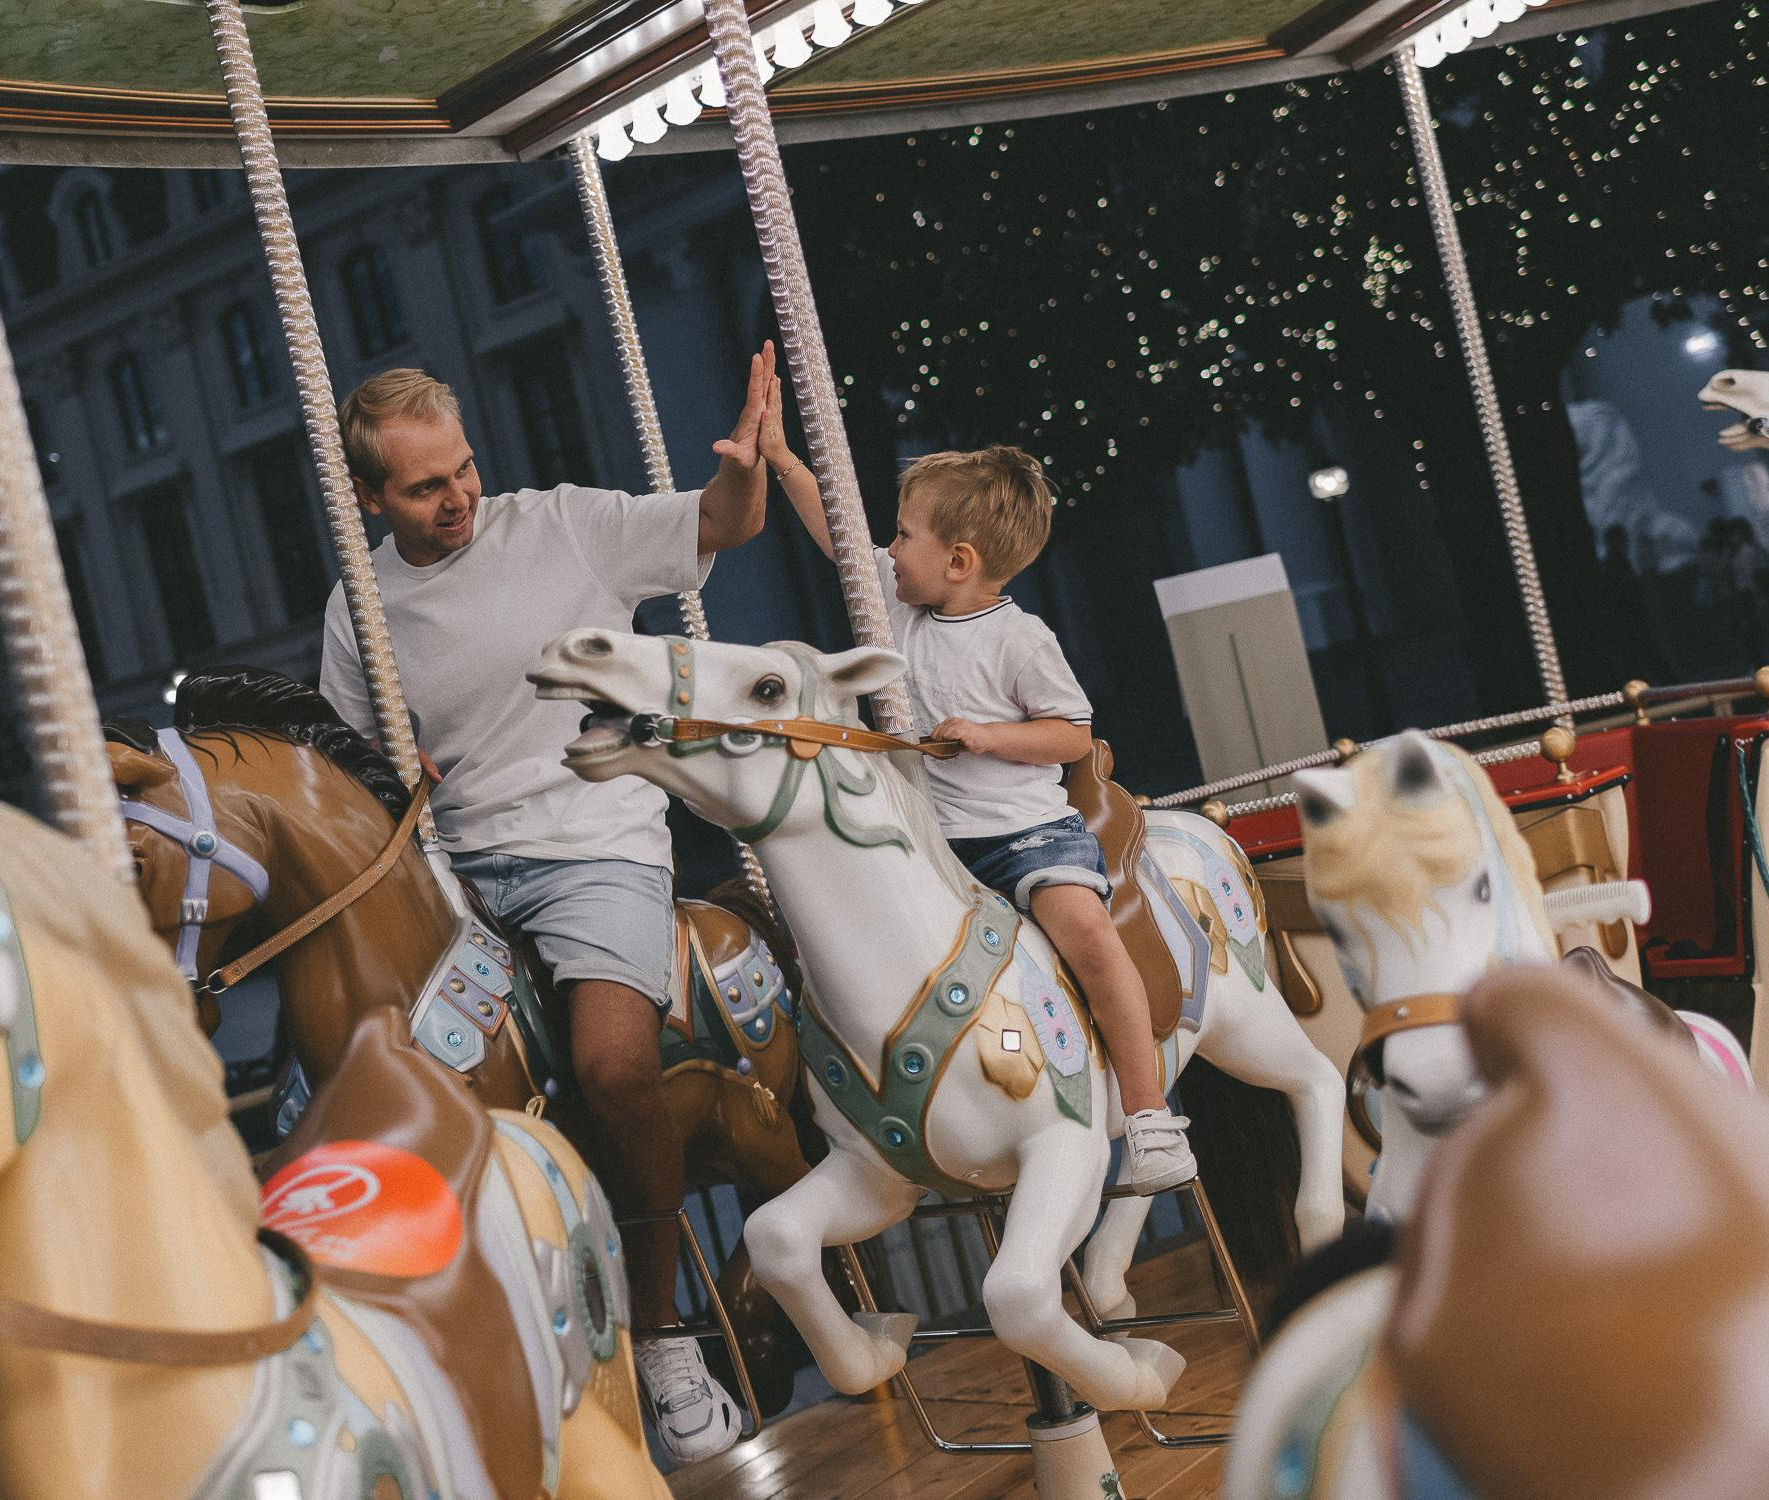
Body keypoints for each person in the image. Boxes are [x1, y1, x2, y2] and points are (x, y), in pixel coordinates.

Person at [319, 348, 776, 1463]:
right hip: (463, 871)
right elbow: (348, 770)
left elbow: (722, 523)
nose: (458, 497)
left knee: (614, 1063)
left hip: (592, 840)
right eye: (426, 488)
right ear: (372, 496)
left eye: (464, 470)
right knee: (350, 1079)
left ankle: (667, 1342)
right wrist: (396, 777)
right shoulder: (361, 603)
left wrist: (748, 464)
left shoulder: (563, 525)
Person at [760, 386, 1195, 1193]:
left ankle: (1148, 1117)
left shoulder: (1019, 638)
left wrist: (991, 735)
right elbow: (840, 538)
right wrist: (784, 461)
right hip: (936, 846)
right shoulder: (899, 609)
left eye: (905, 536)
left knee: (1089, 938)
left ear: (959, 560)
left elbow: (1070, 734)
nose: (888, 551)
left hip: (1025, 835)